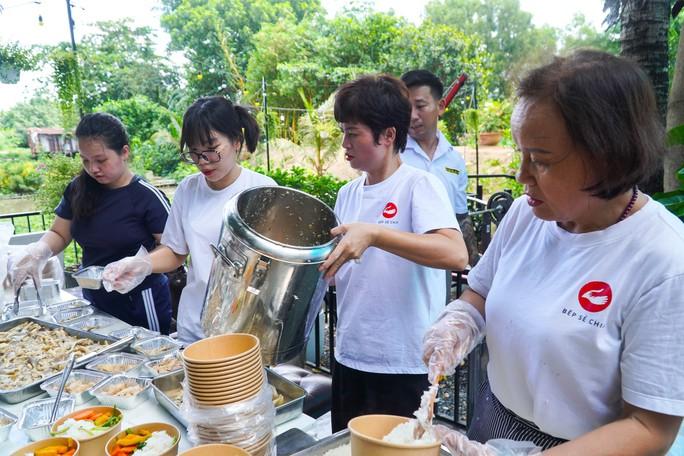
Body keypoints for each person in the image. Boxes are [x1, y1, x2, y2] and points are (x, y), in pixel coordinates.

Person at [423, 50, 684, 455]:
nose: (521, 175)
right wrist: (459, 322)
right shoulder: (527, 215)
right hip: (493, 415)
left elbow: (650, 428)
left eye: (540, 161)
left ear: (605, 157)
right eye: (520, 154)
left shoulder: (665, 260)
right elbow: (482, 291)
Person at [319, 74, 468, 432]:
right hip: (351, 355)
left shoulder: (419, 185)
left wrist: (375, 234)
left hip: (404, 362)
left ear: (387, 135)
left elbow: (455, 253)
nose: (345, 143)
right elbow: (346, 274)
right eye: (343, 132)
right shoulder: (348, 194)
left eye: (353, 133)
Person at [102, 96, 276, 345]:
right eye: (194, 152)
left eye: (211, 149)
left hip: (244, 328)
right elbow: (175, 251)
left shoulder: (261, 190)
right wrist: (140, 264)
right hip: (195, 324)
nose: (203, 161)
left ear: (236, 141)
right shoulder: (188, 189)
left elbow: (272, 265)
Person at [9, 113, 173, 333]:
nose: (93, 168)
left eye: (101, 160)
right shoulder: (78, 189)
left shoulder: (146, 196)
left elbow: (172, 249)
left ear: (124, 152)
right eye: (85, 160)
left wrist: (139, 264)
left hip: (141, 301)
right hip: (94, 299)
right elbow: (60, 233)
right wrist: (39, 251)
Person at [400, 69, 479, 267]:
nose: (412, 116)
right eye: (406, 108)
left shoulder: (454, 160)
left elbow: (461, 216)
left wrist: (475, 262)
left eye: (420, 106)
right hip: (400, 259)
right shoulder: (393, 155)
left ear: (441, 106)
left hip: (441, 262)